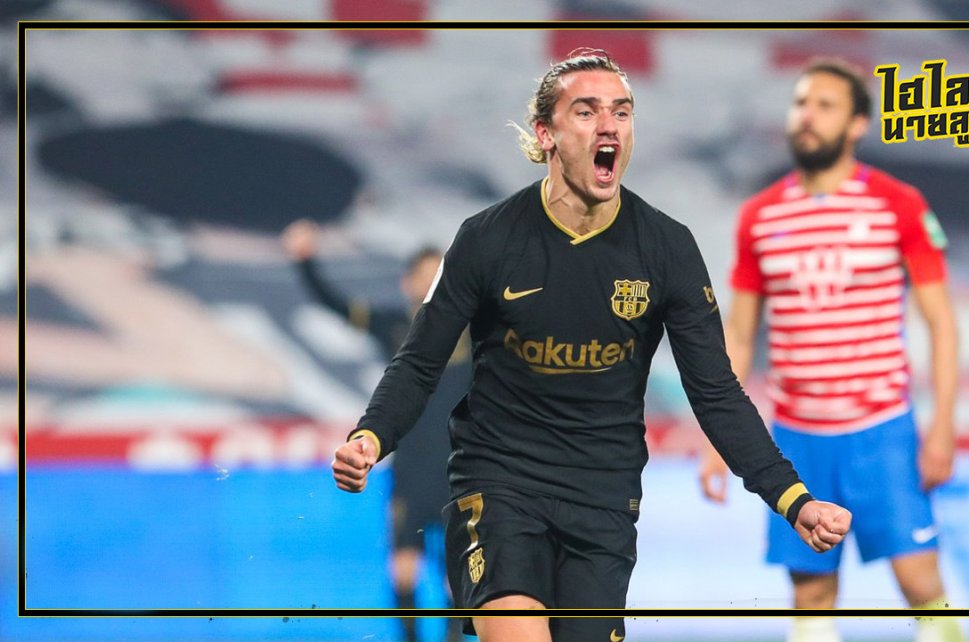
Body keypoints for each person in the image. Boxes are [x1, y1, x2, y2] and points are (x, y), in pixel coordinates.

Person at [331, 48, 852, 642]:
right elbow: (419, 362)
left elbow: (716, 394)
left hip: (603, 500)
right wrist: (371, 435)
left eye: (621, 112)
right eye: (586, 111)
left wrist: (793, 499)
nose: (609, 126)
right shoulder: (486, 239)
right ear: (546, 134)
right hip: (500, 485)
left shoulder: (667, 248)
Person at [697, 57, 968, 642]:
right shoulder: (759, 216)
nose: (807, 116)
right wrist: (719, 439)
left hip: (882, 431)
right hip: (796, 438)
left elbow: (941, 321)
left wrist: (943, 426)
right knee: (811, 598)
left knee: (921, 582)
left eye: (824, 105)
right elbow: (739, 334)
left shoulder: (897, 203)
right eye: (801, 103)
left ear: (856, 124)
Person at [282, 220, 470, 642]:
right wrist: (306, 261)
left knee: (455, 580)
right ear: (407, 283)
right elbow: (336, 304)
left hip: (458, 472)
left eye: (439, 275)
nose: (432, 285)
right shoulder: (395, 327)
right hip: (411, 472)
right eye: (424, 276)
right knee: (403, 572)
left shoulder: (477, 332)